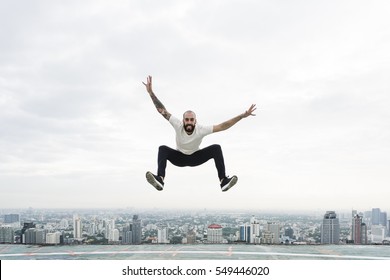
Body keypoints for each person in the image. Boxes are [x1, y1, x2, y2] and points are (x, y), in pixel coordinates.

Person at [142, 75, 256, 192]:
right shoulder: (177, 124)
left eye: (192, 120)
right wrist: (150, 93)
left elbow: (222, 126)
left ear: (195, 121)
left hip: (195, 157)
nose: (189, 122)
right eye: (187, 120)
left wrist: (242, 116)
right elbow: (162, 111)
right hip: (179, 157)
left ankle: (223, 181)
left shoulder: (200, 129)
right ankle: (160, 179)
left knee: (216, 148)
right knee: (163, 149)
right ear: (183, 121)